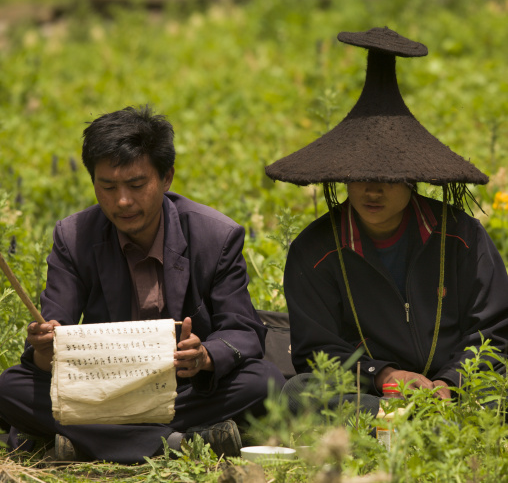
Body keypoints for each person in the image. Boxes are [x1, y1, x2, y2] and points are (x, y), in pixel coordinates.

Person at [0, 105, 285, 463]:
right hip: (102, 389)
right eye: (107, 186)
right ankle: (181, 443)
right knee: (11, 387)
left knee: (265, 382)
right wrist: (46, 346)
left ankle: (89, 441)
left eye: (136, 185)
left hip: (183, 387)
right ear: (93, 183)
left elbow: (243, 330)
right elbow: (54, 335)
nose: (122, 201)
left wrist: (206, 356)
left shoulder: (216, 235)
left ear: (166, 178)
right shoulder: (74, 237)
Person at [265, 27, 508, 412]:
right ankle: (388, 420)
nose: (371, 191)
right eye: (359, 177)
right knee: (299, 393)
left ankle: (431, 418)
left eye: (386, 179)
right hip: (371, 395)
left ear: (412, 179)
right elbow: (316, 352)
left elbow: (494, 332)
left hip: (458, 393)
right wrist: (384, 376)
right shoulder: (313, 252)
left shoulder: (462, 236)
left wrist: (450, 383)